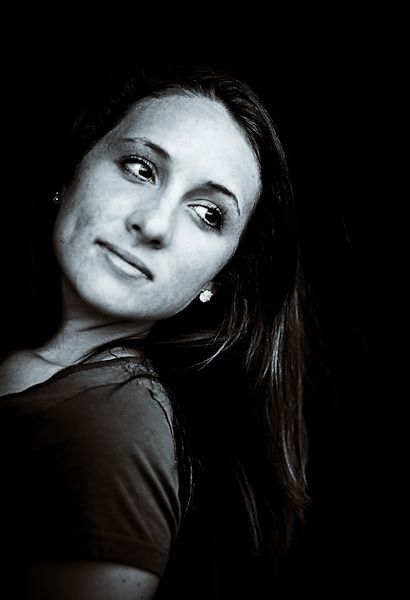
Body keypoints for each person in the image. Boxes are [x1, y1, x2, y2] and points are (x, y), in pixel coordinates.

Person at [0, 64, 310, 599]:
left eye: (208, 213)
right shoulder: (54, 376)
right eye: (141, 168)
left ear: (217, 279)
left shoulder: (117, 426)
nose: (154, 224)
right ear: (72, 171)